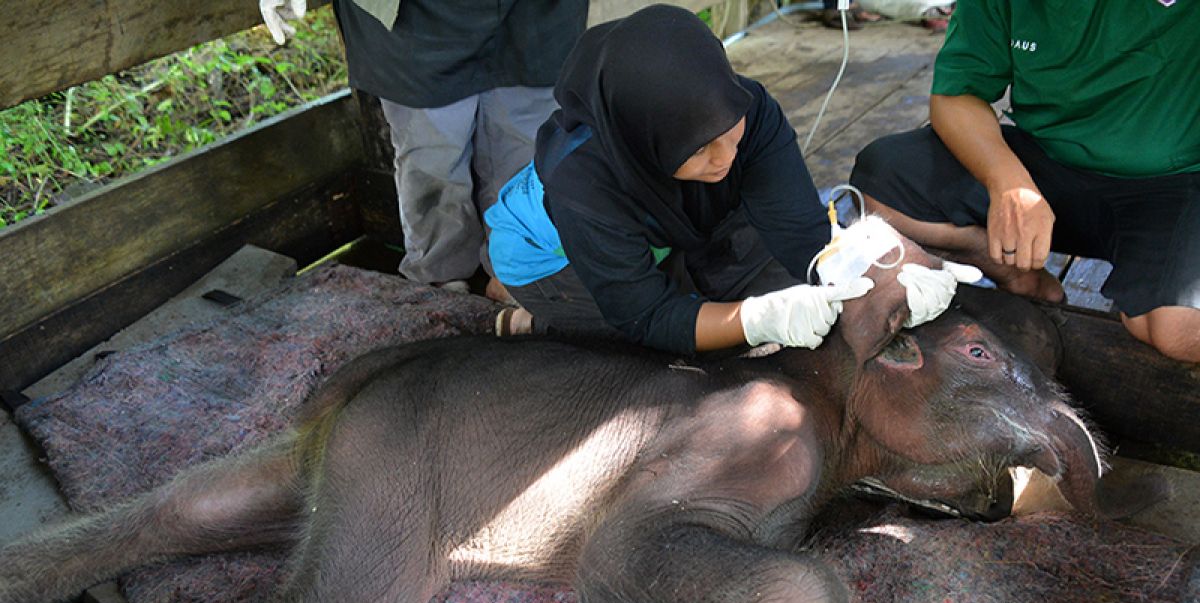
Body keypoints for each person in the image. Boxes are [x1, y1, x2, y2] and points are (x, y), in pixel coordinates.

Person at [485, 5, 968, 355]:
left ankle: (682, 274)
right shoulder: (583, 183)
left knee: (781, 276)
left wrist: (876, 273)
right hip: (548, 259)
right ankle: (538, 316)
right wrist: (754, 320)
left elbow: (801, 236)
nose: (724, 158)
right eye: (697, 149)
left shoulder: (748, 110)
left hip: (665, 226)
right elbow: (647, 314)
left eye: (729, 130)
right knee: (662, 347)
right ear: (645, 142)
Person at [849, 0, 1200, 363]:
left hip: (1176, 183)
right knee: (884, 180)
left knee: (1176, 330)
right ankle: (1021, 277)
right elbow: (957, 94)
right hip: (1046, 162)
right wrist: (1009, 183)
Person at [260, 0, 588, 293]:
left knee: (527, 152)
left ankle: (518, 277)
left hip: (538, 14)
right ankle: (440, 279)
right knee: (431, 157)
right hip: (415, 19)